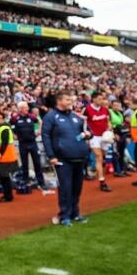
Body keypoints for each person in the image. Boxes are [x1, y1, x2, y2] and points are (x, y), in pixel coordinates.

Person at [42, 91, 91, 227]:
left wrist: (88, 134)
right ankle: (64, 215)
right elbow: (45, 136)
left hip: (80, 157)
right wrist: (51, 156)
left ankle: (75, 213)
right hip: (63, 159)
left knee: (77, 188)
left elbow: (88, 131)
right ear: (59, 101)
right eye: (68, 99)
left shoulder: (76, 116)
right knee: (65, 188)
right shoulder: (51, 117)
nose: (71, 102)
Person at [12, 101, 46, 192]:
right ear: (20, 109)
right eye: (25, 107)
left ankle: (41, 183)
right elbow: (11, 128)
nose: (27, 108)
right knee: (24, 164)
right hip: (22, 144)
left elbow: (40, 121)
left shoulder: (31, 116)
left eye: (27, 107)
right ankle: (26, 182)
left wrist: (38, 131)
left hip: (32, 142)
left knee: (37, 163)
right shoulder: (15, 118)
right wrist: (14, 136)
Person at [84, 92, 112, 191]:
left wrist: (110, 129)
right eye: (99, 99)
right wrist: (86, 134)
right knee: (99, 157)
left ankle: (99, 173)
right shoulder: (87, 109)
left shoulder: (105, 109)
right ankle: (102, 181)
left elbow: (108, 121)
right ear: (94, 99)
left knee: (103, 157)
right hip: (94, 136)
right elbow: (84, 122)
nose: (101, 100)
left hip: (104, 136)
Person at [0, 111, 19, 202]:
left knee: (4, 178)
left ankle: (8, 196)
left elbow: (5, 143)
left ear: (3, 119)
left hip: (4, 158)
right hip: (1, 158)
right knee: (3, 178)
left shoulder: (4, 128)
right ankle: (7, 195)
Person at [109, 100, 130, 177]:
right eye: (115, 105)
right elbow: (108, 124)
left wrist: (126, 137)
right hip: (115, 135)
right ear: (111, 105)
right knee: (115, 153)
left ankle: (122, 170)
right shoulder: (109, 112)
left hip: (122, 135)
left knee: (122, 153)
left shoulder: (120, 114)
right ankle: (117, 171)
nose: (116, 107)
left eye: (118, 105)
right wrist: (113, 134)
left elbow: (123, 125)